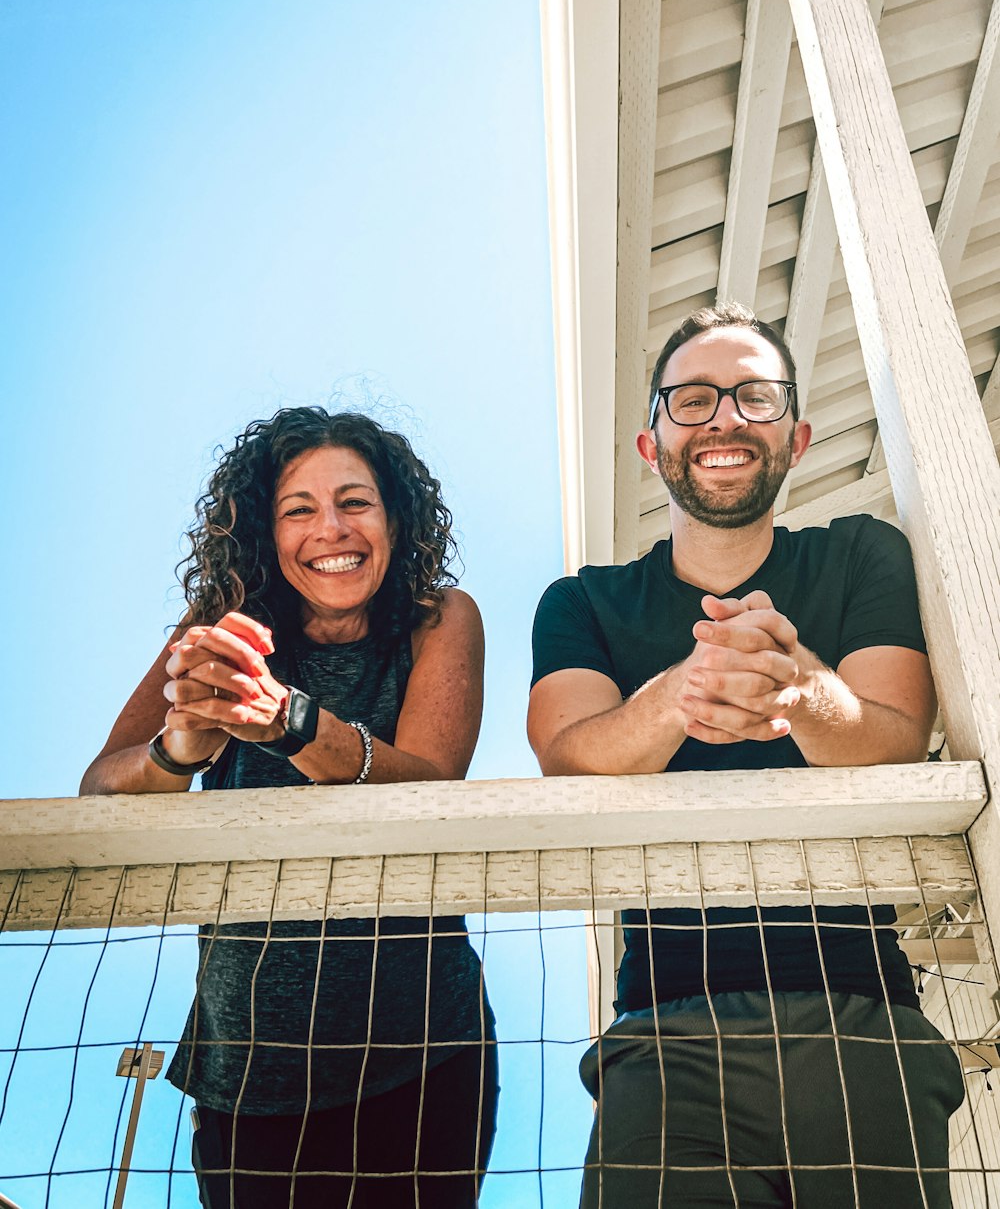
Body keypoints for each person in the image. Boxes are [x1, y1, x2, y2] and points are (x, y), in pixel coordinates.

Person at [528, 303, 965, 1208]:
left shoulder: (861, 555)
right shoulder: (584, 602)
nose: (724, 418)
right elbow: (568, 759)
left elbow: (896, 734)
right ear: (653, 443)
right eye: (692, 399)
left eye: (754, 397)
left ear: (796, 436)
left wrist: (796, 686)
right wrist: (695, 683)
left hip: (863, 1019)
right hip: (661, 1029)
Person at [81, 407, 497, 1209]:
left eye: (355, 502)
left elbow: (432, 781)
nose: (329, 528)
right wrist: (183, 747)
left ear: (396, 516)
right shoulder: (213, 633)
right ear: (266, 536)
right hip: (245, 1070)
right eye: (298, 509)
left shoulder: (439, 620)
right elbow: (101, 786)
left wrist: (290, 720)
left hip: (420, 1049)